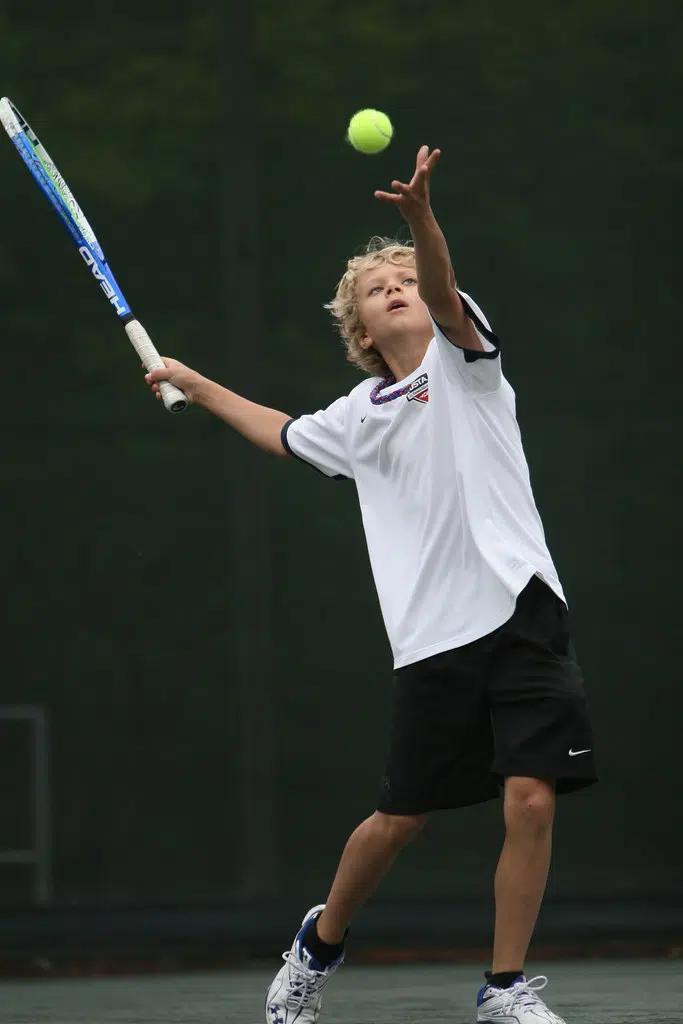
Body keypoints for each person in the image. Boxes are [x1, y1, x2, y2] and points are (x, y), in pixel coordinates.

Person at [146, 145, 597, 1024]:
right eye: (375, 286)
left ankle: (503, 991)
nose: (395, 287)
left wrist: (421, 223)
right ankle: (318, 946)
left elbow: (439, 285)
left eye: (406, 279)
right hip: (431, 638)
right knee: (399, 820)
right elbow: (280, 433)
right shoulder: (355, 420)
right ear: (358, 331)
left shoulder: (465, 364)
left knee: (532, 796)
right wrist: (194, 384)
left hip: (521, 611)